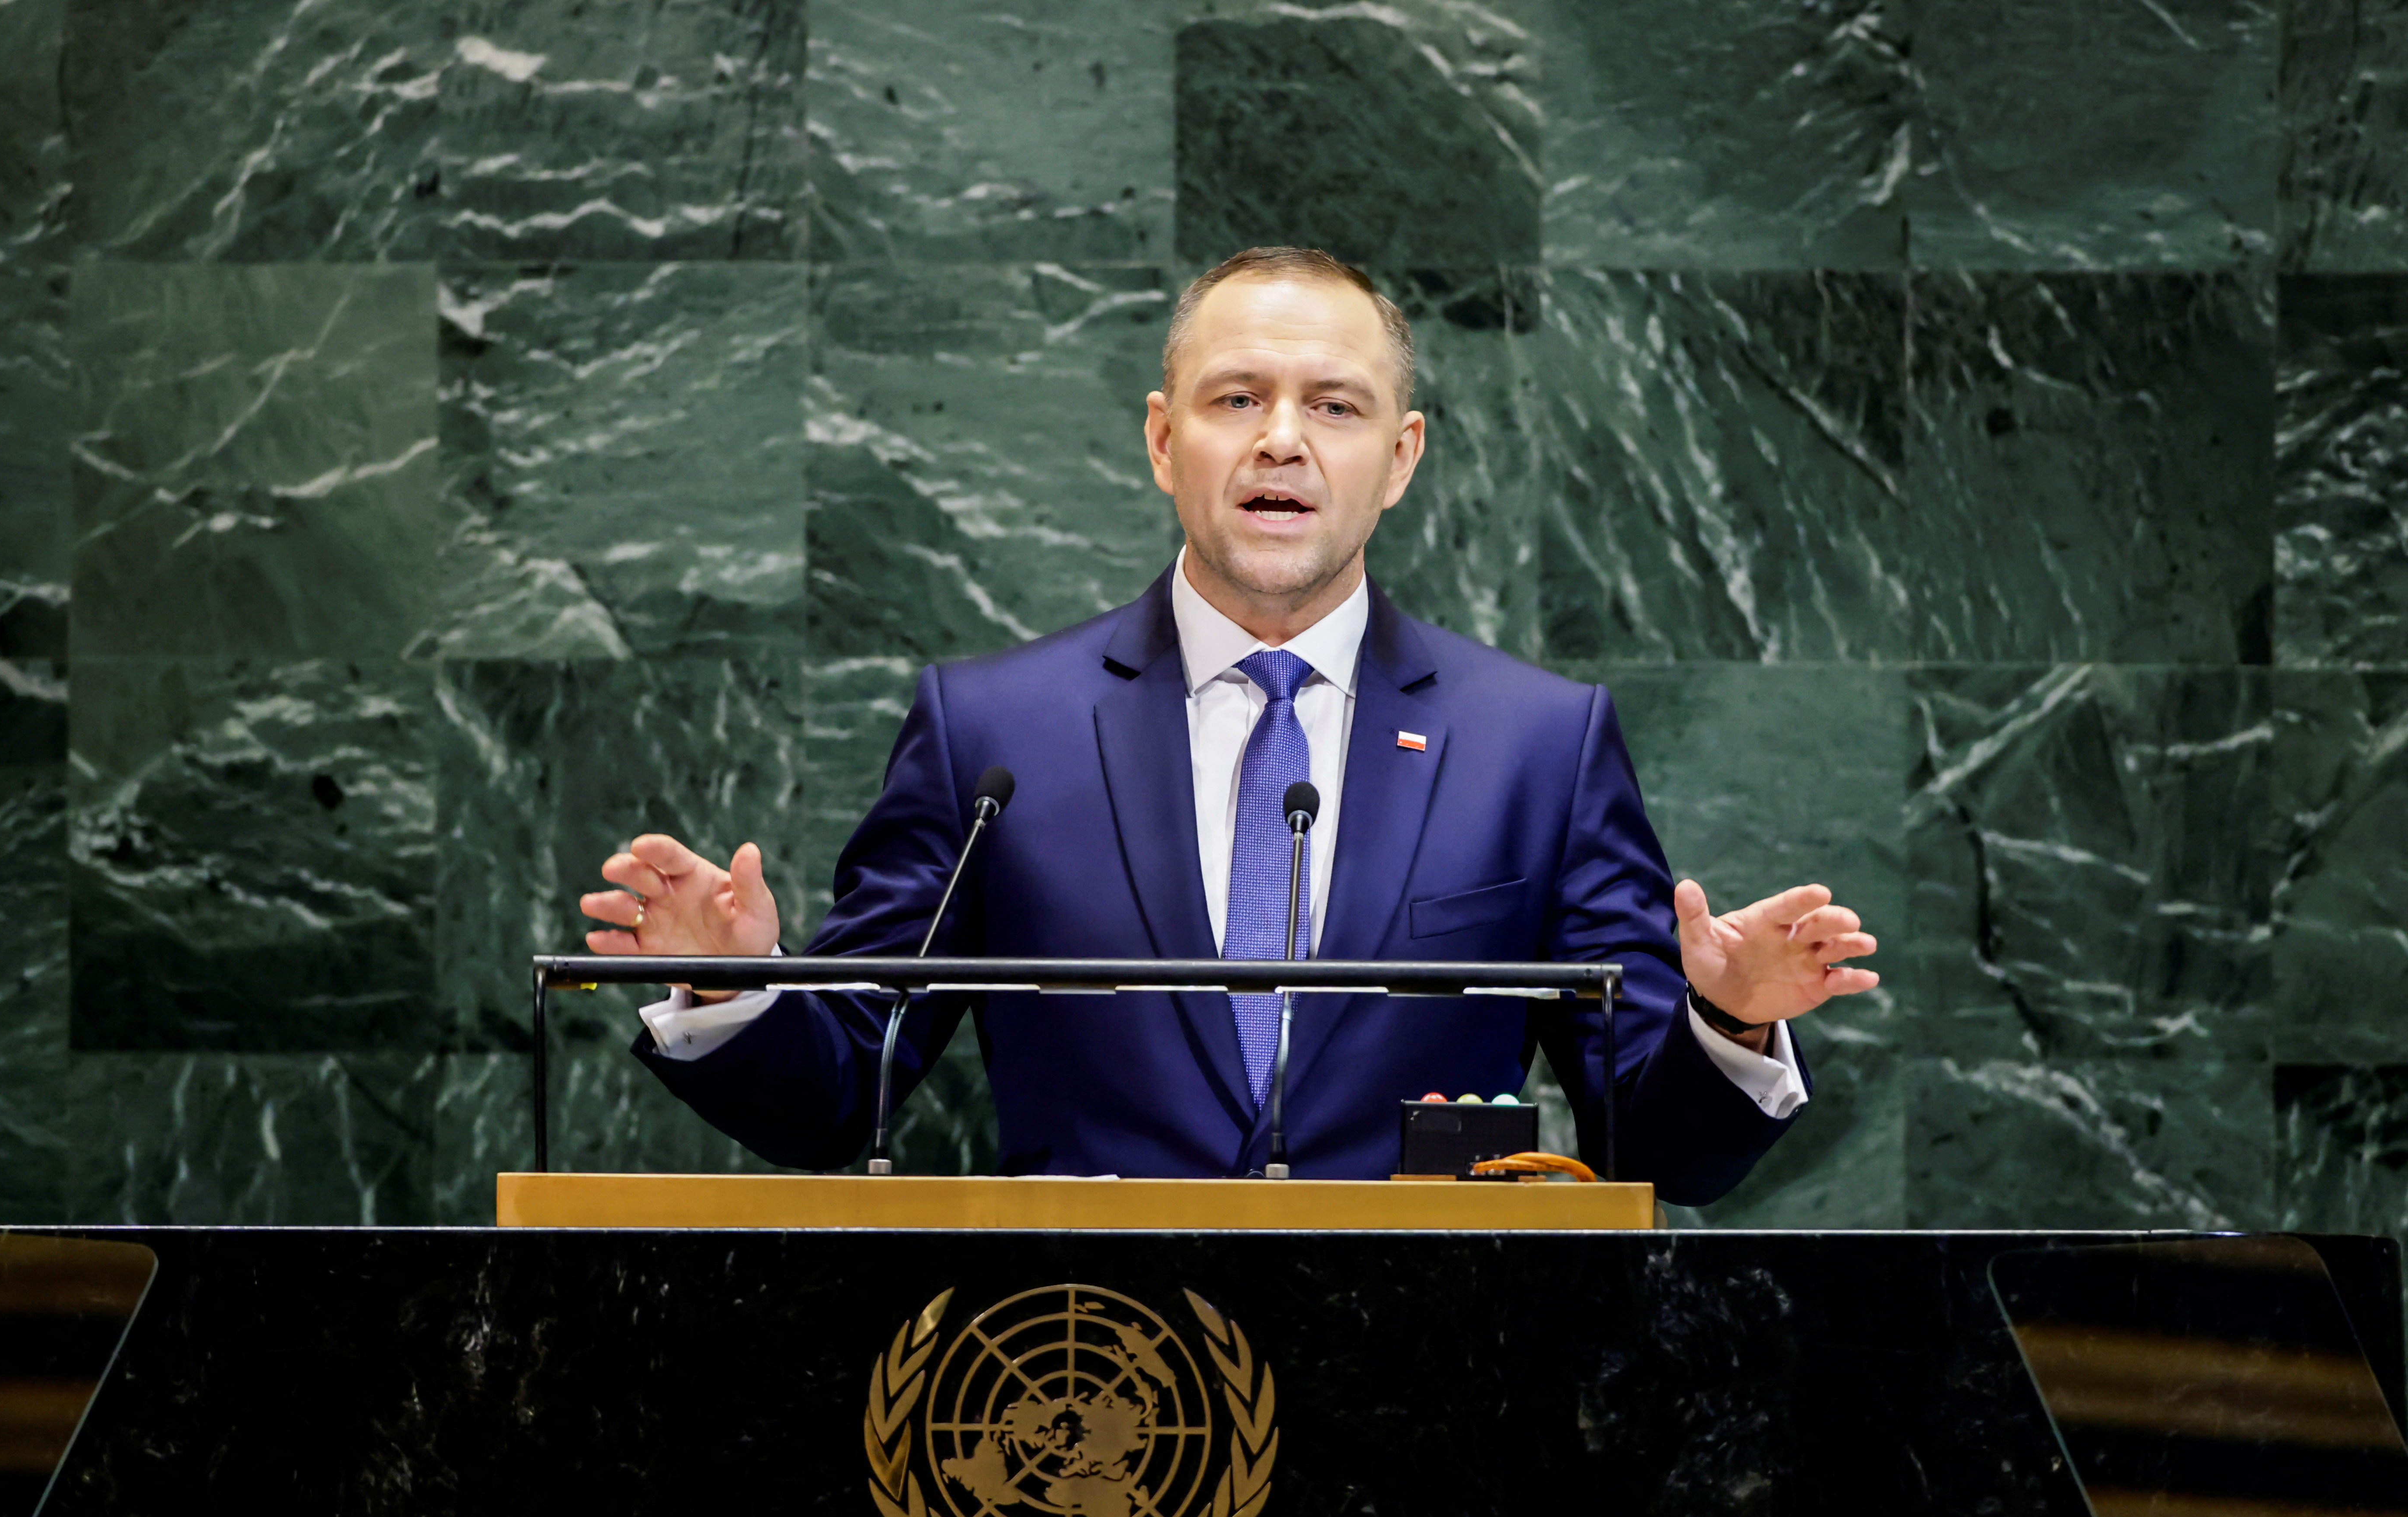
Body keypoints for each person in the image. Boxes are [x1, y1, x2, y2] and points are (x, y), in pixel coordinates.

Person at [575, 247, 1880, 1202]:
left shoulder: (1540, 746)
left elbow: (1657, 1149)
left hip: (1444, 1422)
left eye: (1336, 405)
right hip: (1097, 1403)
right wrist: (734, 989)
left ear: (1404, 456)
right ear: (1162, 440)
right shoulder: (989, 732)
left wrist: (1731, 1023)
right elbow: (840, 1092)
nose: (1283, 442)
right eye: (1236, 398)